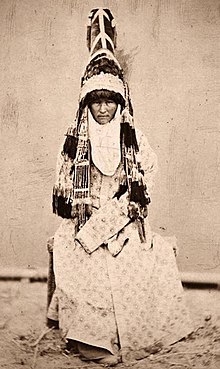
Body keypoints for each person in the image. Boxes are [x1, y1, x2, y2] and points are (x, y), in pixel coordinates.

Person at [47, 8, 193, 366]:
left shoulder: (135, 139)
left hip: (125, 220)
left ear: (120, 101)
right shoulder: (74, 141)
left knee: (147, 254)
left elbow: (145, 182)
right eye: (95, 100)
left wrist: (120, 218)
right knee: (76, 254)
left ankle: (143, 338)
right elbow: (65, 191)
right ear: (86, 102)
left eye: (109, 99)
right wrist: (92, 218)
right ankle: (91, 342)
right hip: (85, 222)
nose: (102, 108)